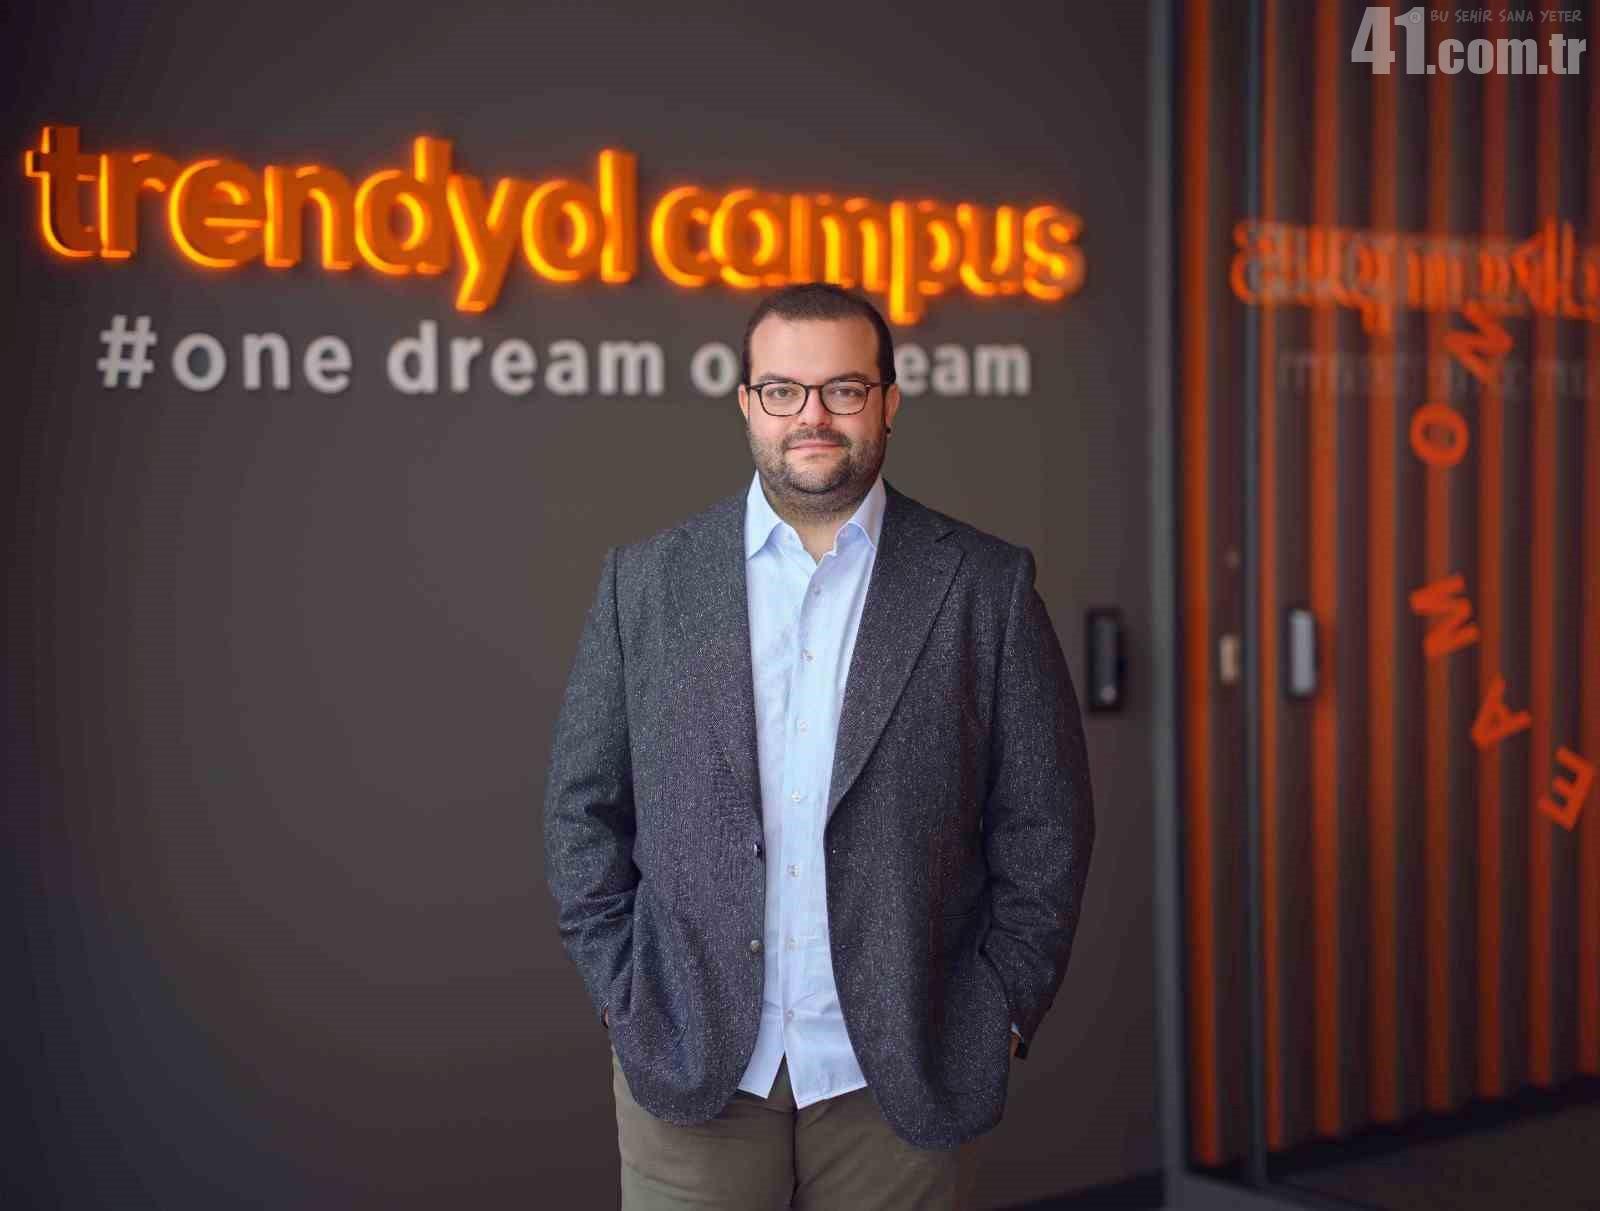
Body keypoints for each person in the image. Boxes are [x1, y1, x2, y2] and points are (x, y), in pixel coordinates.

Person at [544, 282, 1094, 1210]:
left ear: (888, 400)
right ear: (746, 402)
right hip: (691, 1059)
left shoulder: (983, 586)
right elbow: (581, 811)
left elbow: (1048, 824)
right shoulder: (647, 583)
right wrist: (623, 992)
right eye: (783, 390)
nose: (813, 416)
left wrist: (997, 1012)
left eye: (843, 389)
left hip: (902, 1074)